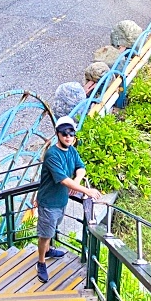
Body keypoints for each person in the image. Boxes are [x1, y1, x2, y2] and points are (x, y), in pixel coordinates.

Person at [34, 116, 103, 283]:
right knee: (45, 234)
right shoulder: (52, 154)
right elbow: (64, 180)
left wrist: (77, 182)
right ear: (57, 134)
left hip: (61, 200)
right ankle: (41, 262)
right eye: (64, 133)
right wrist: (87, 190)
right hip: (49, 202)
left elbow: (81, 167)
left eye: (71, 134)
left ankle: (49, 250)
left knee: (52, 229)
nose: (68, 137)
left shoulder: (72, 150)